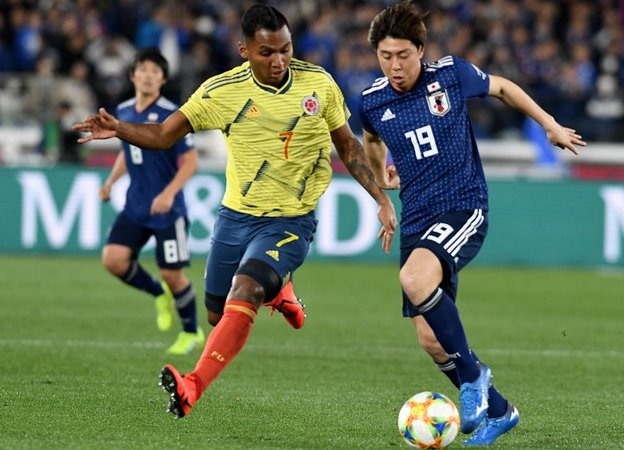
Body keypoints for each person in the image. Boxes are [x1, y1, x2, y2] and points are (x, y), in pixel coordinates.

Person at [74, 4, 397, 419]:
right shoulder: (221, 92)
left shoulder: (319, 83)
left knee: (245, 291)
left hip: (290, 220)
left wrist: (381, 198)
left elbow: (348, 145)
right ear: (244, 50)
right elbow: (163, 135)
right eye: (267, 52)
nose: (279, 61)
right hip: (236, 216)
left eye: (285, 49)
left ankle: (192, 385)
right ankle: (279, 291)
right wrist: (119, 128)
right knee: (217, 314)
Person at [359, 2, 586, 446]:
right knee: (429, 338)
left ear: (420, 50)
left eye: (403, 55)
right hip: (417, 217)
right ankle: (500, 411)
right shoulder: (371, 100)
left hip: (463, 206)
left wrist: (549, 124)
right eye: (385, 56)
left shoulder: (450, 75)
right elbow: (369, 139)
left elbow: (503, 88)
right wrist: (382, 182)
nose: (394, 65)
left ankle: (474, 375)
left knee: (414, 278)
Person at [98, 48, 204, 355]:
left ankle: (191, 332)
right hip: (136, 204)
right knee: (113, 260)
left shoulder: (174, 115)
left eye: (155, 71)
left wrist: (169, 193)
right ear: (133, 75)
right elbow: (127, 151)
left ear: (163, 79)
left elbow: (191, 162)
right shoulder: (124, 111)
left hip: (168, 210)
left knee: (173, 274)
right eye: (142, 69)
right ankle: (158, 293)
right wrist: (111, 181)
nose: (148, 75)